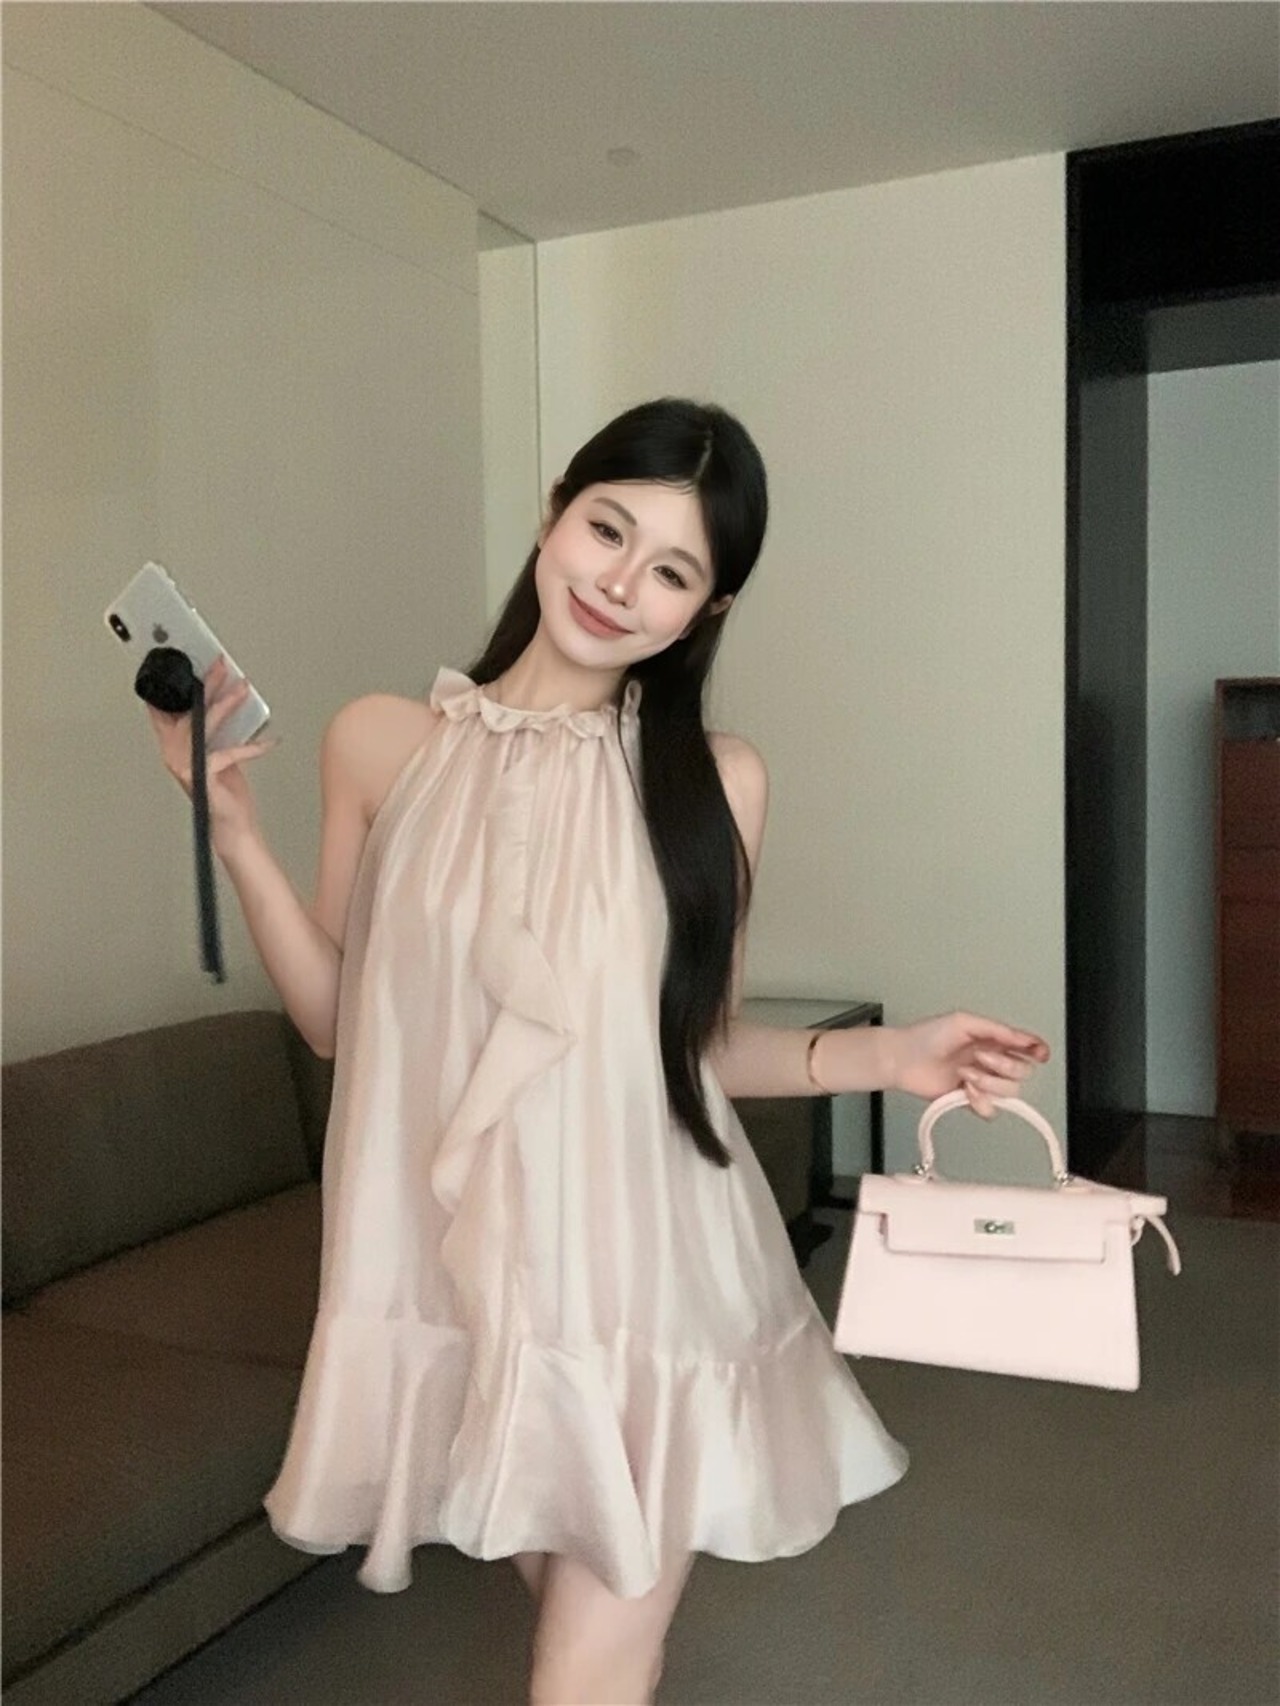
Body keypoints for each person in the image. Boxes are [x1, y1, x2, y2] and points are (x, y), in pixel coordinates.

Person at [148, 396, 1051, 1705]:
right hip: (468, 1290)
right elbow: (338, 1021)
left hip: (654, 1285)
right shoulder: (380, 743)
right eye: (608, 529)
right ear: (553, 516)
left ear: (706, 611)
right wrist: (233, 831)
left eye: (672, 571)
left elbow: (693, 1048)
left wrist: (890, 1055)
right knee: (603, 1658)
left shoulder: (714, 781)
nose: (621, 583)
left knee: (583, 1674)